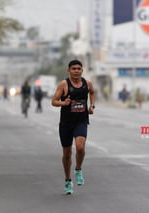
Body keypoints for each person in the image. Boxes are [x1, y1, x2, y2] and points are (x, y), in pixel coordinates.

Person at [51, 59, 96, 194]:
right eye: (73, 69)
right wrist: (64, 103)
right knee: (67, 153)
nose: (76, 71)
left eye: (78, 68)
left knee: (80, 147)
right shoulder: (64, 84)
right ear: (69, 71)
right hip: (66, 123)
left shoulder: (87, 83)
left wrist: (92, 106)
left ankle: (78, 169)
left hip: (81, 121)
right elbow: (53, 101)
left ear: (82, 70)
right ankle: (68, 180)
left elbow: (92, 92)